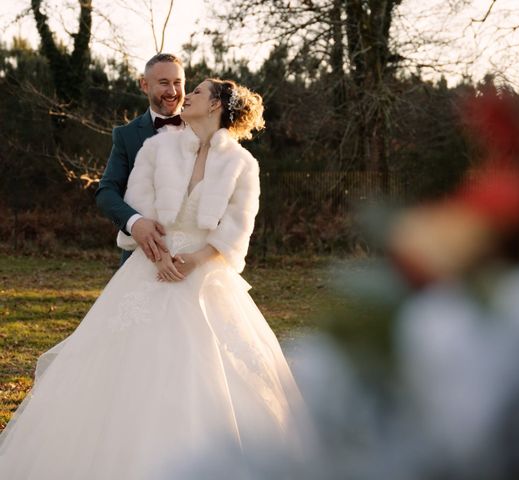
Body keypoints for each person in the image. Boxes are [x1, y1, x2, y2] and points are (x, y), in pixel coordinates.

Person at [0, 79, 306, 479]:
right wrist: (158, 256)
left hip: (203, 271)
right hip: (150, 266)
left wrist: (194, 259)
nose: (187, 96)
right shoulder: (156, 148)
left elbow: (237, 227)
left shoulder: (242, 164)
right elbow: (139, 211)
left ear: (216, 104)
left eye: (196, 92)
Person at [96, 53, 185, 265]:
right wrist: (135, 223)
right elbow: (106, 192)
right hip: (144, 256)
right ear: (144, 85)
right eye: (164, 83)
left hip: (195, 256)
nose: (172, 91)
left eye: (177, 83)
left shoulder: (204, 128)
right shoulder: (126, 136)